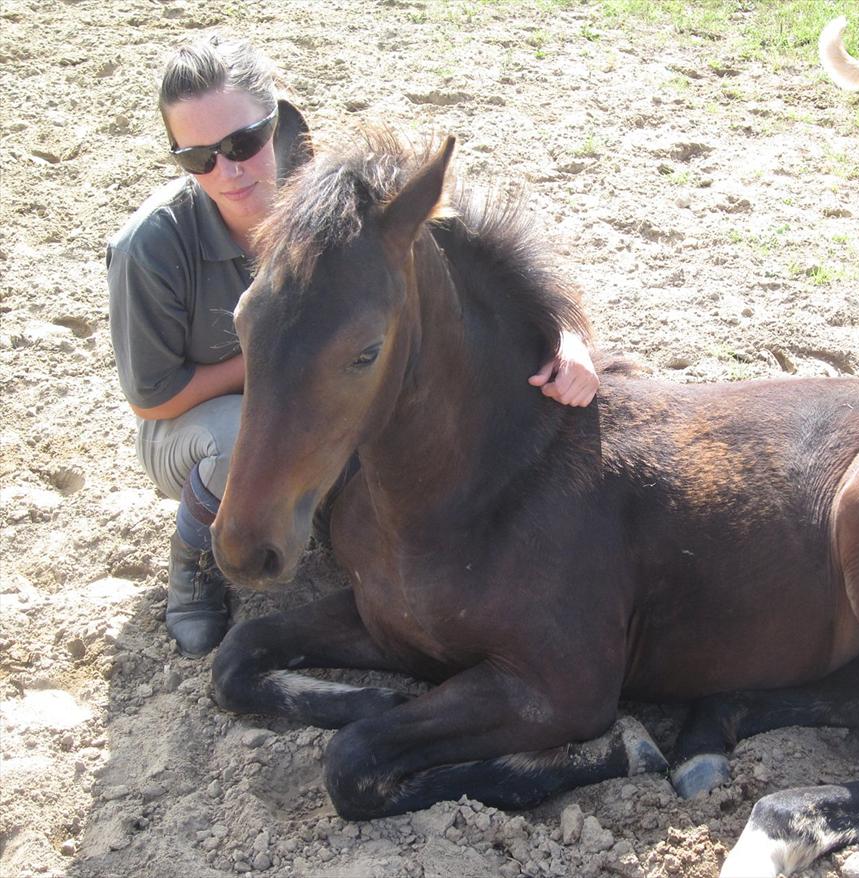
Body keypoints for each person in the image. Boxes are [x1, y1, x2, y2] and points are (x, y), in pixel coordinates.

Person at [107, 33, 600, 658]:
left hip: (301, 397)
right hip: (193, 424)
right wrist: (285, 360)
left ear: (276, 122)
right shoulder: (150, 247)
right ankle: (195, 564)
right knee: (240, 433)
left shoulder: (329, 202)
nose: (229, 171)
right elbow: (154, 401)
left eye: (243, 143)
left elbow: (470, 267)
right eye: (198, 158)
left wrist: (567, 336)